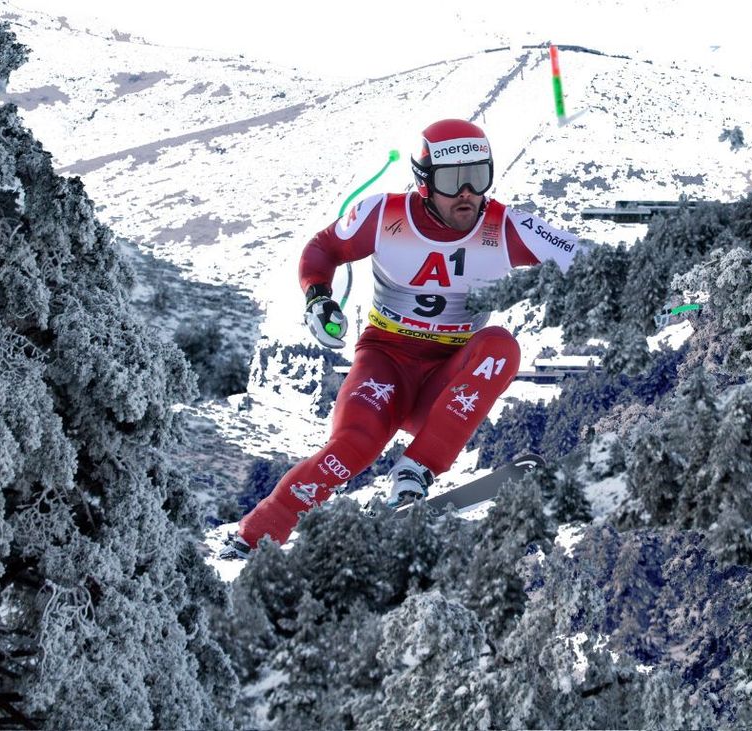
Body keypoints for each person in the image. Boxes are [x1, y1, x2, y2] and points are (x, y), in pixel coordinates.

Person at [223, 119, 579, 558]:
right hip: (386, 363)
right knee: (351, 449)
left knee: (500, 346)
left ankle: (414, 473)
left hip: (445, 379)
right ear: (424, 183)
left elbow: (586, 260)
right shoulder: (384, 214)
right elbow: (324, 248)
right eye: (453, 180)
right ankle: (252, 535)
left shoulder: (507, 227)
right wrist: (317, 297)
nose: (468, 192)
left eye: (478, 177)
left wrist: (652, 285)